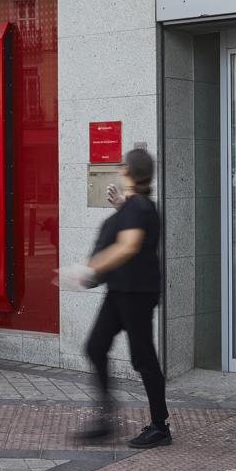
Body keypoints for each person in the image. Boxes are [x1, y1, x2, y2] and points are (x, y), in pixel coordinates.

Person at [73, 149, 171, 449]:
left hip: (137, 294)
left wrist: (88, 268)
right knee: (96, 347)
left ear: (127, 170)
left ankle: (159, 426)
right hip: (120, 291)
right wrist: (121, 204)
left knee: (144, 358)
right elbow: (130, 228)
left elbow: (127, 247)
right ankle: (105, 419)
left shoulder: (140, 208)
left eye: (122, 165)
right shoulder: (135, 206)